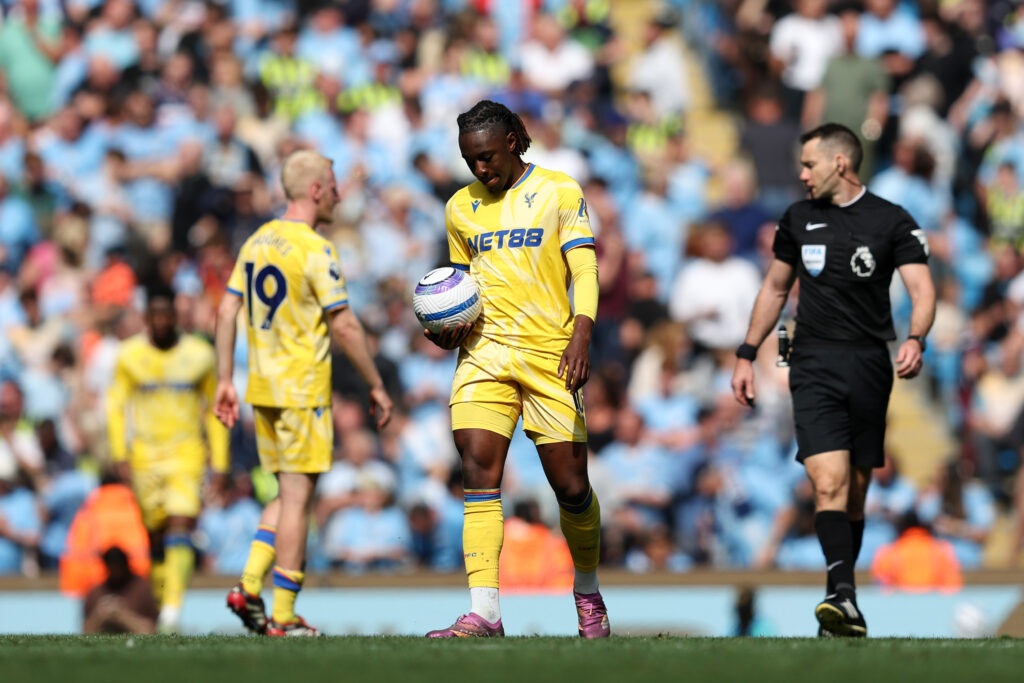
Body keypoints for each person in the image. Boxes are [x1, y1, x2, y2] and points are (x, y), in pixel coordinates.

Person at [730, 123, 935, 637]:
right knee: (827, 482)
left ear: (840, 163)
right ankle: (842, 595)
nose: (800, 175)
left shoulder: (891, 220)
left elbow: (923, 289)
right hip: (811, 362)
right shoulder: (797, 219)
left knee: (857, 491)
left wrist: (916, 337)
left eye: (809, 165)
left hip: (869, 363)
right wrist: (747, 352)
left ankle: (841, 598)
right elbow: (776, 289)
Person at [423, 100, 607, 639]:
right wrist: (443, 326)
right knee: (478, 470)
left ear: (511, 142)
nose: (480, 170)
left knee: (571, 488)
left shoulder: (558, 190)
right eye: (468, 161)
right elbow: (459, 286)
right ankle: (486, 612)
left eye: (485, 157)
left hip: (552, 353)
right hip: (485, 354)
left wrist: (581, 333)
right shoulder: (460, 207)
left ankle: (588, 591)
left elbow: (585, 267)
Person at [214, 149, 392, 637]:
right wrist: (377, 384)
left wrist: (226, 378)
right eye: (333, 185)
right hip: (302, 389)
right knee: (298, 499)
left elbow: (227, 312)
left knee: (288, 491)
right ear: (315, 190)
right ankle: (285, 617)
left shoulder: (257, 240)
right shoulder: (316, 249)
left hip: (262, 389)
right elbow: (346, 324)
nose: (337, 193)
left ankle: (249, 586)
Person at [106, 285, 230, 632]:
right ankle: (163, 604)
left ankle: (173, 610)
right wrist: (119, 452)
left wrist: (219, 462)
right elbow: (116, 406)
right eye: (155, 316)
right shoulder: (129, 356)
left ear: (177, 318)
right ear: (145, 319)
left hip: (186, 453)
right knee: (155, 535)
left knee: (181, 523)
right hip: (145, 455)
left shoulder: (200, 355)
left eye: (167, 315)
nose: (161, 321)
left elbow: (214, 411)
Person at [82, 546, 159, 634]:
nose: (115, 570)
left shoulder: (141, 588)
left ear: (125, 564)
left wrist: (122, 616)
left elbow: (151, 630)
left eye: (118, 565)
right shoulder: (96, 592)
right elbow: (86, 631)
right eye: (112, 565)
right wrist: (99, 615)